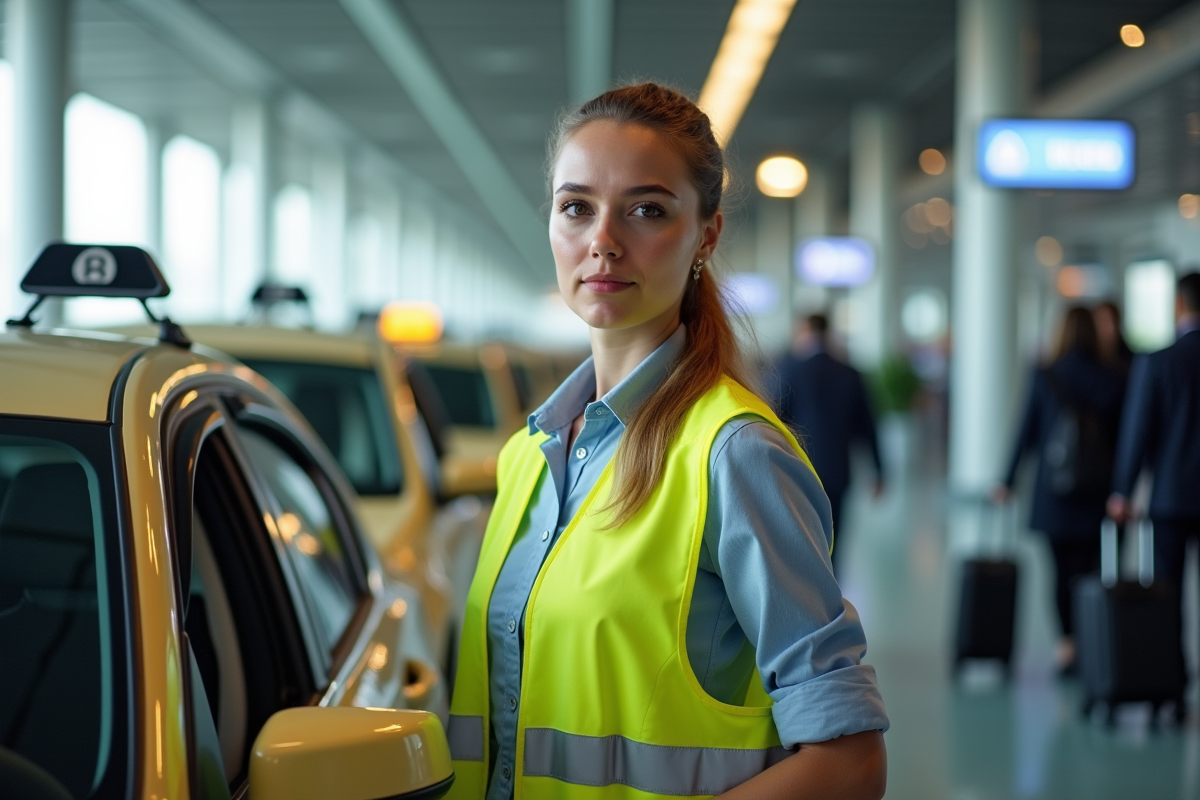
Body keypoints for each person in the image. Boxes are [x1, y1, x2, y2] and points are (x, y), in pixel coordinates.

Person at [446, 84, 888, 800]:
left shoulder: (733, 453)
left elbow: (851, 764)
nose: (603, 241)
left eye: (646, 209)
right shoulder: (529, 455)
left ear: (705, 236)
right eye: (576, 208)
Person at [994, 307, 1126, 673]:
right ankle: (1090, 641)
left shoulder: (1045, 375)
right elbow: (1122, 441)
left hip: (1054, 492)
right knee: (1090, 570)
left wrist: (1006, 481)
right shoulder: (1114, 376)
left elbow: (1026, 432)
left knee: (1059, 572)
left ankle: (1067, 644)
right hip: (1098, 492)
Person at [1108, 272, 1200, 594]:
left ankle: (1173, 648)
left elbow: (1138, 430)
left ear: (1178, 304)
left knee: (1167, 590)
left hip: (1170, 495)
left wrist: (1123, 490)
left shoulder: (1158, 362)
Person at [774, 313, 884, 575]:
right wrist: (879, 471)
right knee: (835, 539)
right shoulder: (850, 372)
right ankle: (831, 598)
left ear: (804, 330)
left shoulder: (791, 370)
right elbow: (868, 425)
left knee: (802, 538)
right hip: (838, 471)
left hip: (799, 471)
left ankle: (806, 598)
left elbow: (775, 421)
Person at [1093, 300, 1134, 375]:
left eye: (1114, 321)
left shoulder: (1129, 358)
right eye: (1105, 321)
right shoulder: (1087, 360)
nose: (1112, 327)